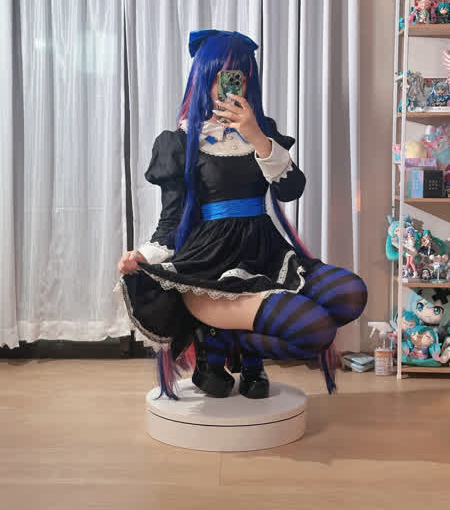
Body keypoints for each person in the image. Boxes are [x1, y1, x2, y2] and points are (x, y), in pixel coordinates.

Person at [115, 29, 368, 400]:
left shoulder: (263, 133)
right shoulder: (180, 141)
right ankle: (217, 341)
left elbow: (291, 190)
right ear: (203, 77)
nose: (229, 85)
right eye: (220, 76)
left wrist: (257, 137)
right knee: (315, 329)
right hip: (210, 263)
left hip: (264, 251)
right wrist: (144, 255)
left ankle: (232, 345)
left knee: (350, 294)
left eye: (239, 77)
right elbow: (172, 221)